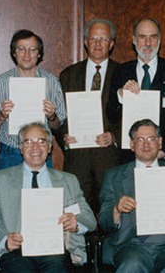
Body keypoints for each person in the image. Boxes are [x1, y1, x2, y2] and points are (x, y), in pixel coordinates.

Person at [0, 122, 96, 272]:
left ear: (49, 147)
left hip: (56, 250)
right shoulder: (1, 179)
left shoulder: (68, 180)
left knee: (57, 267)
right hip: (15, 251)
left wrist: (76, 224)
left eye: (41, 142)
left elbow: (89, 220)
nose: (35, 148)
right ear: (20, 148)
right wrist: (5, 240)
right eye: (28, 142)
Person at [99, 119, 165, 272]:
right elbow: (103, 221)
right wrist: (117, 210)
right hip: (130, 244)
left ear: (159, 142)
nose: (146, 145)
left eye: (151, 139)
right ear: (132, 145)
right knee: (131, 265)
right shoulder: (114, 176)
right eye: (140, 140)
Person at [56, 19, 120, 213]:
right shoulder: (68, 75)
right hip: (78, 158)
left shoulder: (123, 73)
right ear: (85, 41)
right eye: (93, 38)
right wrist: (64, 137)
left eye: (103, 39)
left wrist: (114, 135)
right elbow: (59, 117)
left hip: (109, 157)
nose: (98, 43)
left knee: (110, 211)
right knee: (77, 212)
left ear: (111, 43)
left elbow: (132, 115)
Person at [106, 18, 165, 164]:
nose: (148, 43)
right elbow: (111, 115)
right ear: (134, 40)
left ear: (160, 40)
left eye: (153, 37)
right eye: (142, 37)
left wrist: (164, 150)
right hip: (130, 157)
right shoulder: (121, 71)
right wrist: (120, 95)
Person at [0, 29, 66, 169]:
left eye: (32, 49)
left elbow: (58, 125)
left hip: (40, 154)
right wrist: (2, 116)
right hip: (10, 151)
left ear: (39, 54)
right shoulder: (0, 82)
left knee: (42, 192)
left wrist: (52, 116)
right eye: (21, 49)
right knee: (7, 192)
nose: (27, 54)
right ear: (14, 53)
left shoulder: (52, 82)